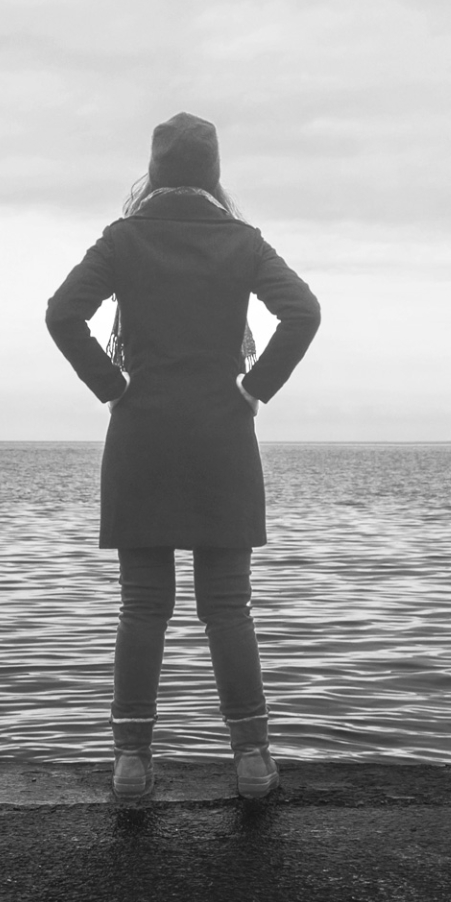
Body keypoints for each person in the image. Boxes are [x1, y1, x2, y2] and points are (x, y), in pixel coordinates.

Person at [45, 112, 321, 801]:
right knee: (228, 608)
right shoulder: (241, 241)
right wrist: (254, 389)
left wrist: (113, 387)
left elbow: (62, 314)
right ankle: (252, 762)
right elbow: (304, 312)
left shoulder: (124, 239)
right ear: (214, 173)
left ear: (156, 171)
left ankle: (131, 766)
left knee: (143, 608)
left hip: (142, 436)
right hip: (222, 437)